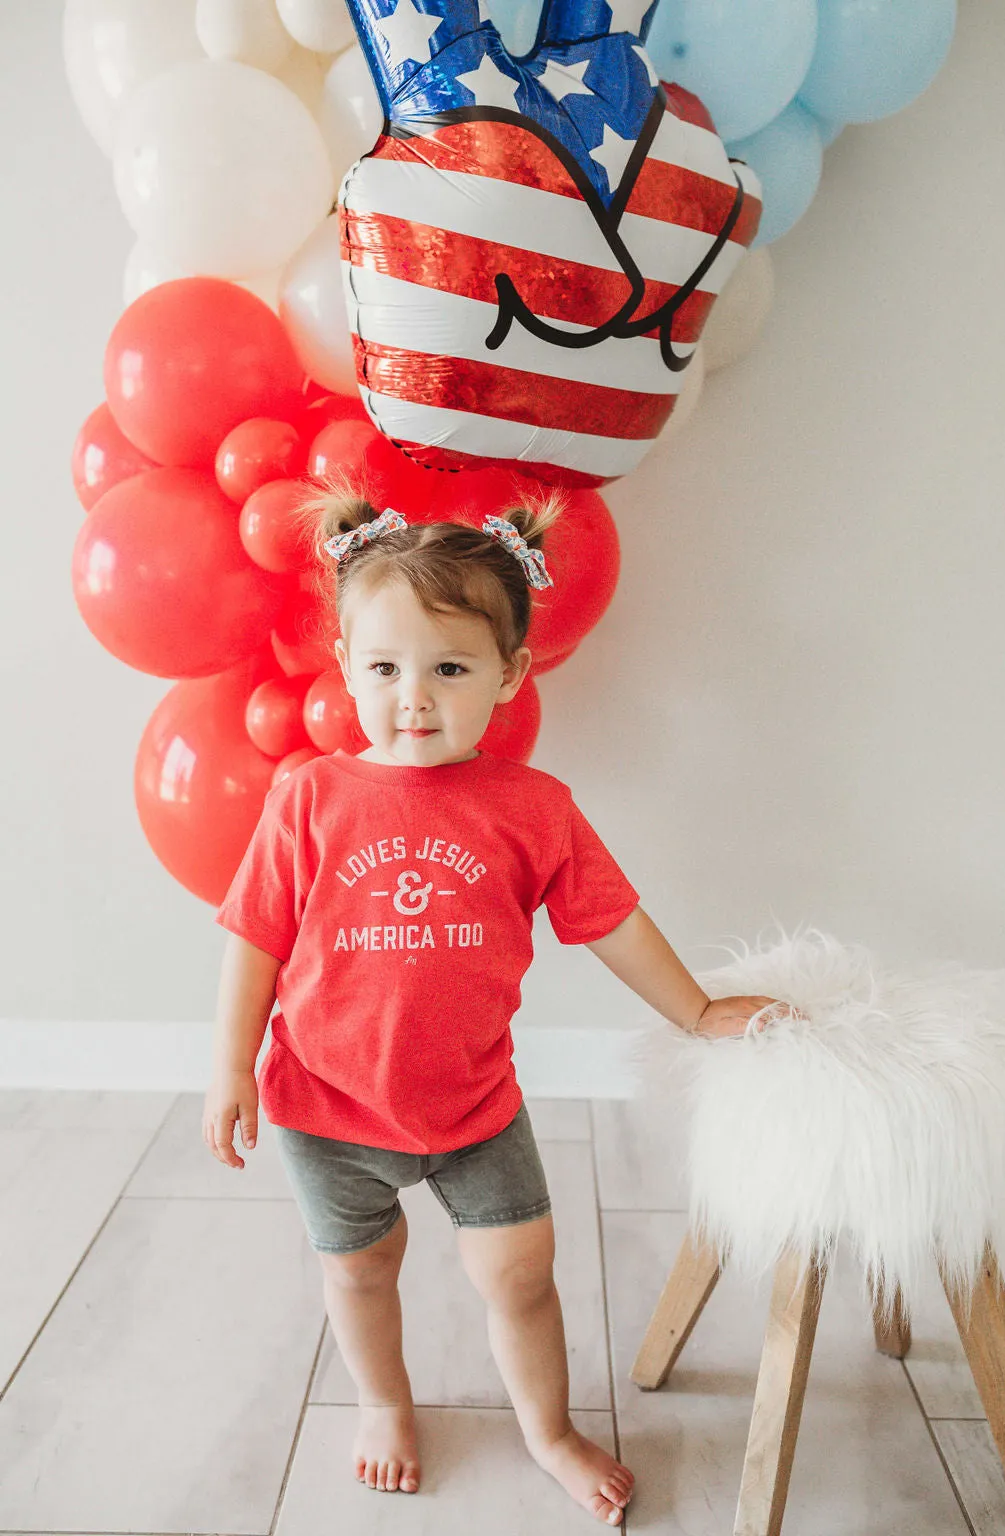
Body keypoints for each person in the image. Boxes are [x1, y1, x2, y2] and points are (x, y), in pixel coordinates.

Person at [202, 481, 790, 1527]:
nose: (412, 698)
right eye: (383, 668)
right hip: (327, 1111)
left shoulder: (532, 810)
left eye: (449, 669)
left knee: (521, 1276)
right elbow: (254, 940)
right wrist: (229, 1067)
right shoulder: (309, 799)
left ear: (510, 676)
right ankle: (383, 1402)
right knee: (364, 1271)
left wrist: (696, 1014)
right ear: (344, 663)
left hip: (473, 1106)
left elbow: (612, 922)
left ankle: (548, 1429)